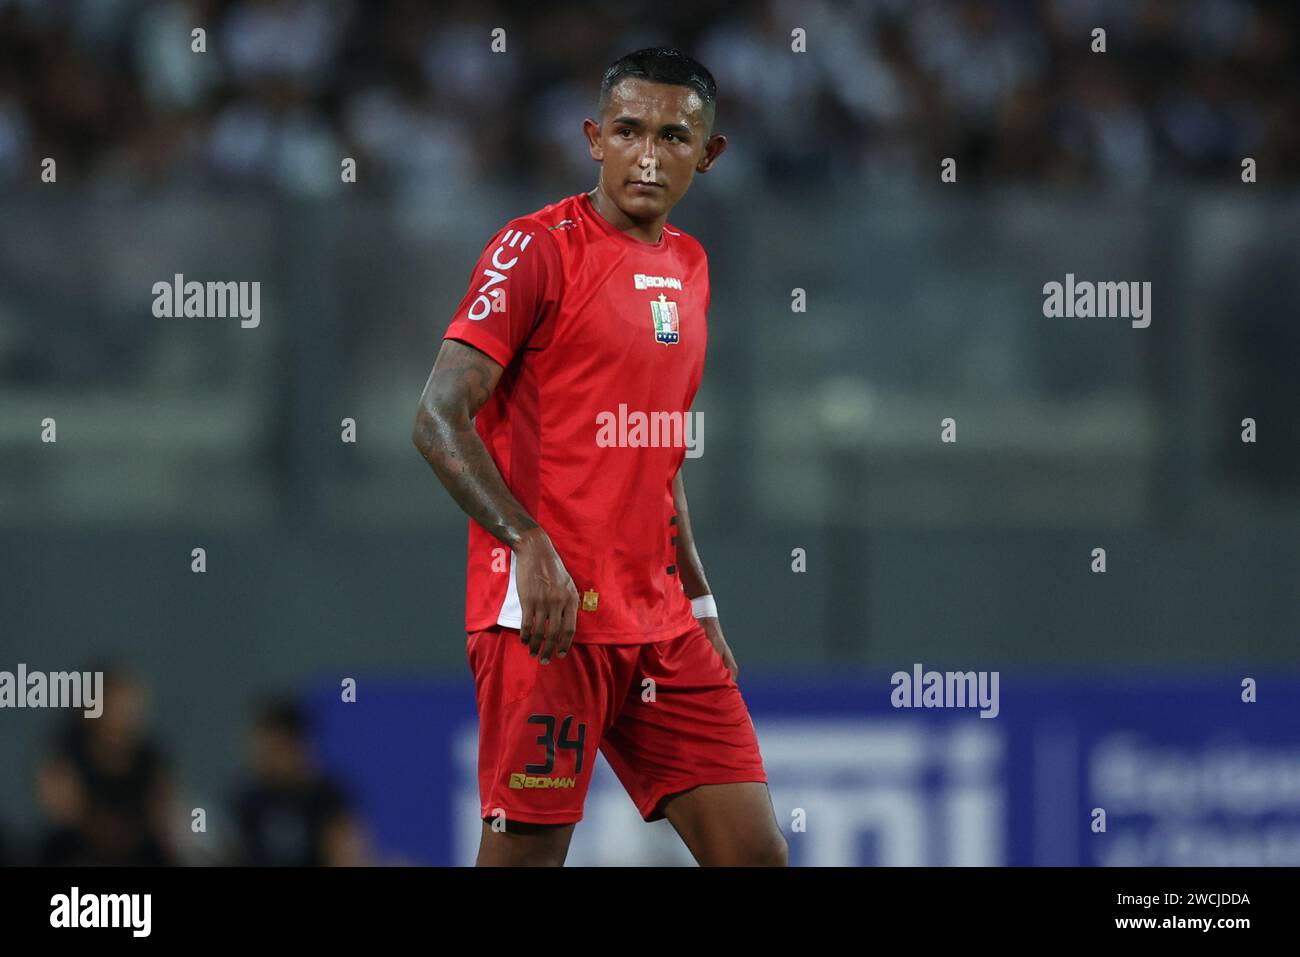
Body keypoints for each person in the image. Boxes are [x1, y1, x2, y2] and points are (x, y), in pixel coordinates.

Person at [413, 47, 787, 867]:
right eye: (627, 129)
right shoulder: (534, 249)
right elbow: (438, 419)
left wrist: (701, 599)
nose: (648, 154)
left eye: (674, 135)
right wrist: (528, 544)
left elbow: (661, 450)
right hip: (547, 621)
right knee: (527, 860)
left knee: (754, 853)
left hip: (658, 621)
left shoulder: (691, 266)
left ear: (709, 153)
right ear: (593, 137)